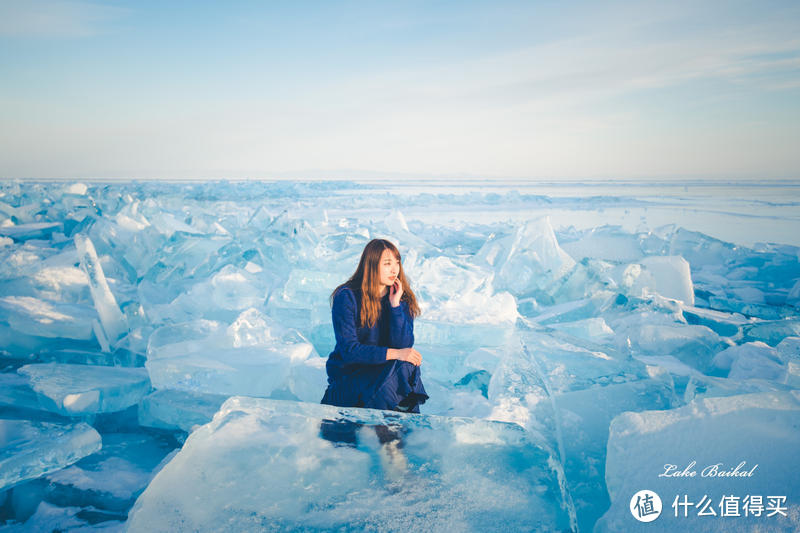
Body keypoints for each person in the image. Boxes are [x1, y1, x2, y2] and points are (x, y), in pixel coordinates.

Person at [320, 238, 428, 413]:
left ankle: (394, 430)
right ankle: (389, 433)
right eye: (387, 263)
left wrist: (395, 307)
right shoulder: (347, 296)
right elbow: (349, 350)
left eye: (397, 262)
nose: (394, 269)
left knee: (407, 365)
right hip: (348, 384)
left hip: (385, 381)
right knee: (402, 364)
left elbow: (404, 346)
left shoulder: (401, 299)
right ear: (371, 265)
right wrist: (396, 353)